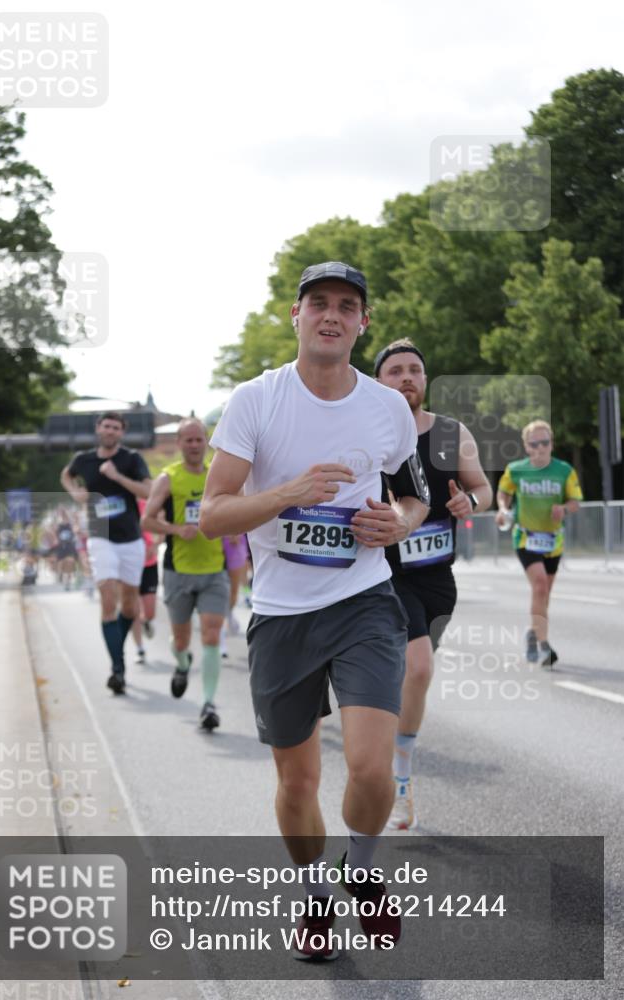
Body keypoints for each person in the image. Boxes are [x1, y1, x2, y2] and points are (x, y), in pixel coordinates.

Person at [200, 262, 429, 961]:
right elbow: (212, 514)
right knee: (297, 783)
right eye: (318, 303)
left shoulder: (386, 407)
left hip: (364, 601)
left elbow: (412, 495)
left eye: (346, 306)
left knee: (370, 769)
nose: (332, 314)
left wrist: (397, 523)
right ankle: (313, 896)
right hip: (280, 613)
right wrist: (286, 494)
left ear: (362, 323)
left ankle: (361, 868)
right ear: (295, 316)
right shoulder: (256, 400)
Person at [375, 339, 493, 830]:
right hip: (386, 574)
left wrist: (471, 502)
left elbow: (483, 488)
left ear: (425, 379)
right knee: (418, 668)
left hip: (439, 578)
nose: (406, 377)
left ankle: (387, 746)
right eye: (395, 371)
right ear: (379, 382)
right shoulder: (370, 431)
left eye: (414, 370)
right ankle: (399, 778)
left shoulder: (451, 432)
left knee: (410, 676)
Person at [141, 418, 229, 731]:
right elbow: (147, 521)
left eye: (198, 439)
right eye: (188, 440)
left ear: (206, 442)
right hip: (178, 570)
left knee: (211, 635)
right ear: (179, 443)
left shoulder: (217, 475)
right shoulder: (168, 478)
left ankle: (208, 704)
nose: (194, 445)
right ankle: (181, 664)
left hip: (214, 568)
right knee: (181, 640)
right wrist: (177, 529)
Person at [60, 412, 151, 694]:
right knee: (108, 599)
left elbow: (147, 491)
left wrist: (117, 477)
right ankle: (117, 669)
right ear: (98, 428)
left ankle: (117, 650)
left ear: (121, 433)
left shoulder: (131, 459)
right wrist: (75, 491)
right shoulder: (83, 459)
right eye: (106, 426)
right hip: (101, 539)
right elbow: (66, 475)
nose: (110, 431)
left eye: (116, 427)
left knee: (130, 607)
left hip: (131, 540)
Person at [496, 419, 582, 667]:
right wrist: (503, 509)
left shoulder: (564, 471)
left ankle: (533, 633)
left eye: (544, 443)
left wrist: (564, 509)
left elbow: (575, 501)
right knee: (540, 585)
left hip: (553, 541)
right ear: (526, 446)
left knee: (544, 594)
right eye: (534, 444)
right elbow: (504, 493)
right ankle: (544, 646)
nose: (540, 448)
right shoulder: (516, 470)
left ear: (551, 444)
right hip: (526, 538)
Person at [131, 498, 159, 664]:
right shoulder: (119, 503)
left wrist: (154, 545)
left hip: (149, 564)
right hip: (129, 565)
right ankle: (139, 648)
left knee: (149, 612)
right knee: (132, 608)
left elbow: (161, 527)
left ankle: (145, 621)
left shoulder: (148, 504)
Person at [219, 533, 249, 656]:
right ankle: (220, 640)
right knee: (218, 594)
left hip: (234, 545)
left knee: (233, 592)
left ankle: (229, 614)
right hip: (215, 544)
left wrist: (238, 532)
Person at [54, 507, 78, 590]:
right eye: (62, 513)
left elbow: (75, 530)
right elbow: (55, 532)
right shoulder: (58, 524)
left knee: (69, 564)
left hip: (70, 546)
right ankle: (60, 575)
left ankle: (67, 582)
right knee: (60, 563)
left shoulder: (70, 524)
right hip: (61, 546)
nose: (63, 515)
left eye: (64, 513)